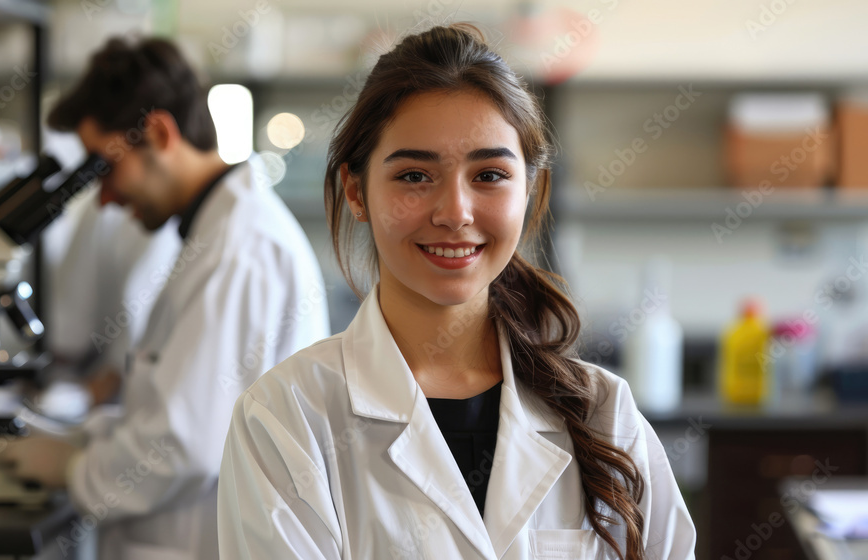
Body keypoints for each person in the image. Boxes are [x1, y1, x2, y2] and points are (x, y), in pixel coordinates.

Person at [217, 23, 696, 559]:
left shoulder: (602, 413)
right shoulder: (286, 419)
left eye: (489, 175)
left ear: (529, 190)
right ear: (356, 191)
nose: (454, 213)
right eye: (415, 176)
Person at [1, 37, 331, 560]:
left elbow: (184, 447)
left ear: (157, 132)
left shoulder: (239, 249)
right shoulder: (213, 234)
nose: (104, 197)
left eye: (103, 168)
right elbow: (170, 407)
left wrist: (73, 469)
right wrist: (85, 441)